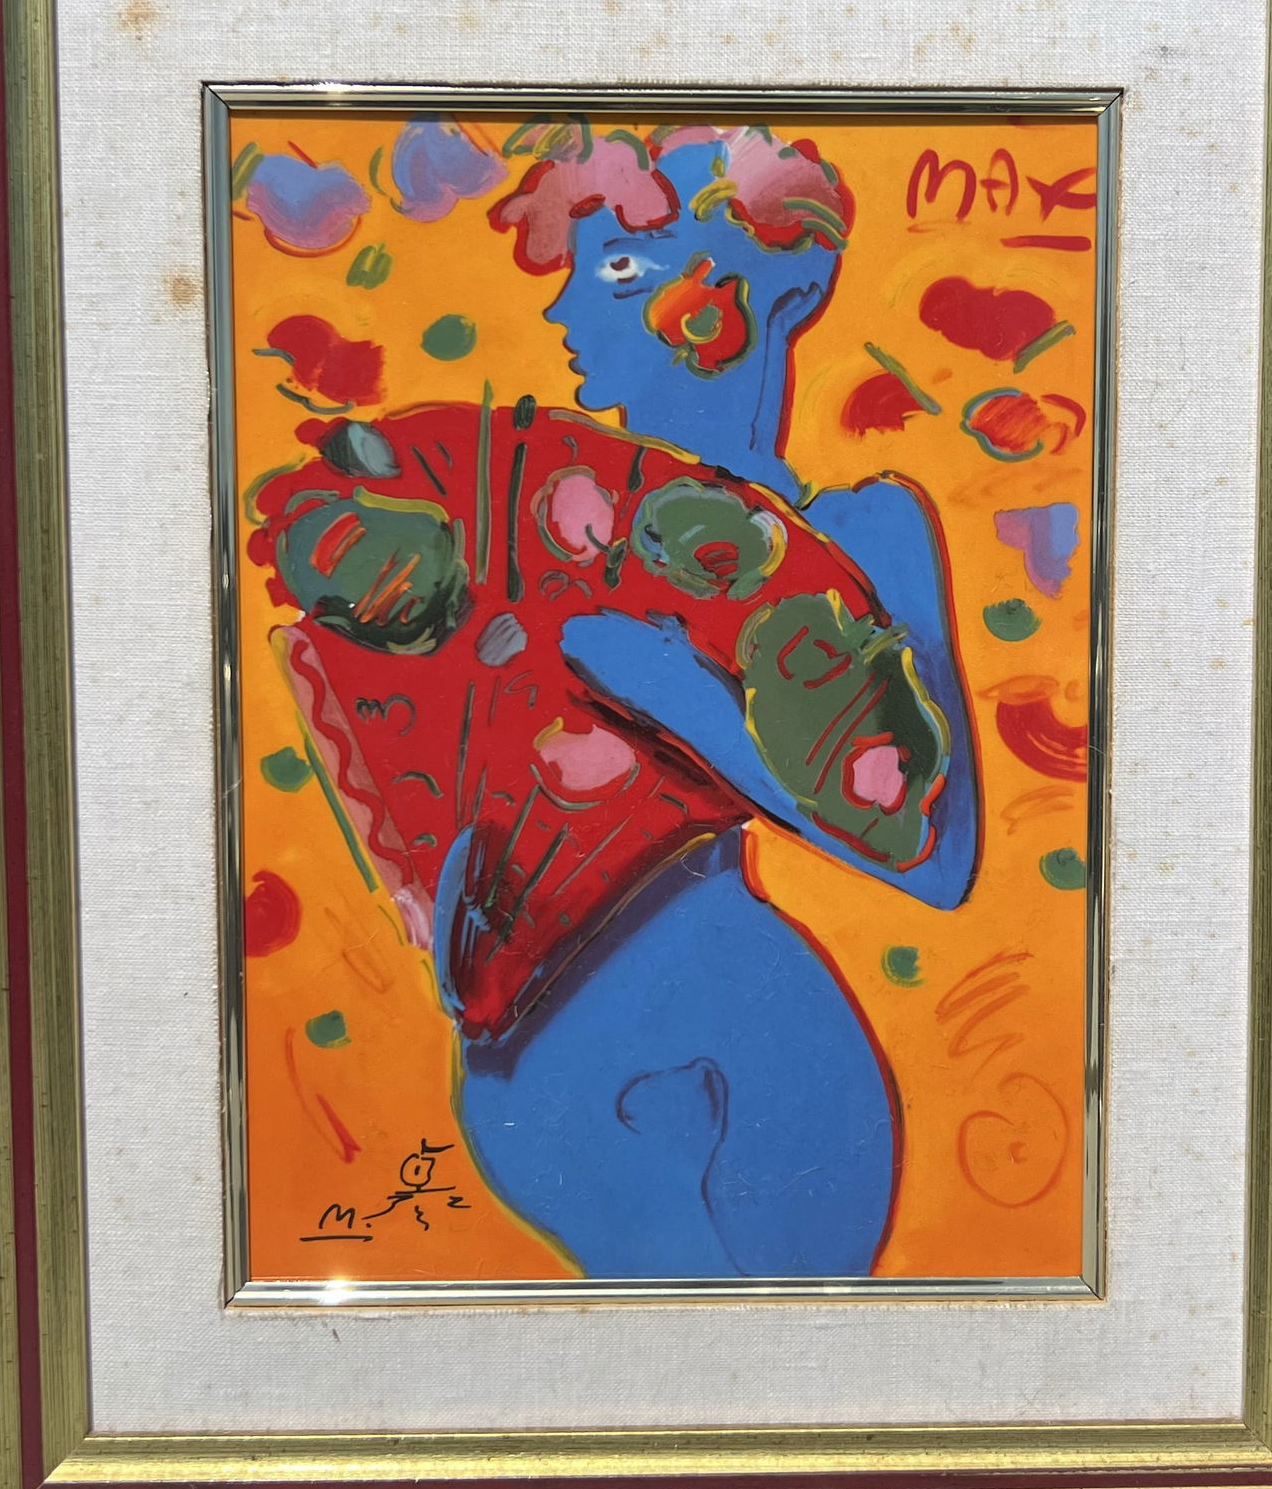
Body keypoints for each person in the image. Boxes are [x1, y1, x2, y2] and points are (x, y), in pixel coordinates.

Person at [417, 122, 981, 1280]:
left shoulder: (864, 530)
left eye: (623, 270)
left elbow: (934, 862)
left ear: (782, 288)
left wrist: (677, 691)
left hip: (766, 1051)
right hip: (539, 1062)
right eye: (575, 274)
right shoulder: (533, 521)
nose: (569, 314)